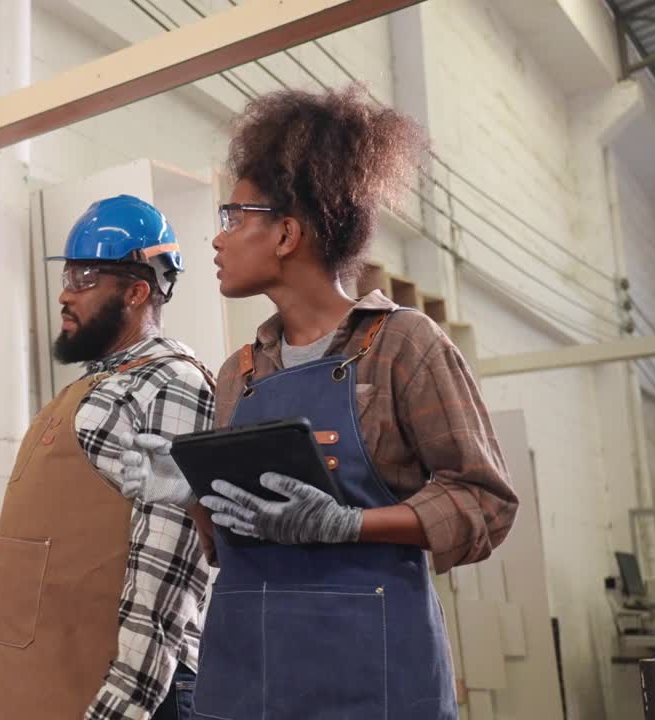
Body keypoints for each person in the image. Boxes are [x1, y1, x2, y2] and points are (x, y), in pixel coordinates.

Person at [118, 88, 519, 719]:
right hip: (245, 680)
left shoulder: (401, 346)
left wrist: (350, 524)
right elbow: (230, 547)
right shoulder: (238, 375)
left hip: (371, 683)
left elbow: (484, 504)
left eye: (234, 217)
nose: (217, 241)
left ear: (285, 232)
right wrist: (190, 494)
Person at [0, 195, 216, 720]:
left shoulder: (169, 385)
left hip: (124, 701)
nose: (64, 294)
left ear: (136, 291)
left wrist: (120, 709)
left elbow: (164, 575)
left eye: (83, 278)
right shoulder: (97, 386)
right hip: (51, 689)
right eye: (67, 276)